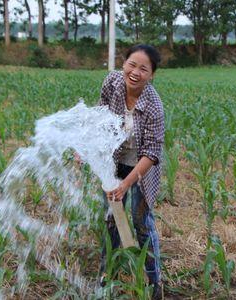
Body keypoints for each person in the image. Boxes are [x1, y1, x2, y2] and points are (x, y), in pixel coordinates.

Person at [98, 44, 164, 300]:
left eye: (143, 69)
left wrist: (126, 184)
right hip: (115, 160)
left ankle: (154, 281)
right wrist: (87, 148)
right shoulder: (112, 82)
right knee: (111, 217)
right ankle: (108, 274)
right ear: (123, 64)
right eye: (131, 64)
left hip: (141, 167)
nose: (135, 72)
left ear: (152, 75)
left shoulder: (154, 106)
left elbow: (152, 153)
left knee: (142, 221)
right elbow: (100, 117)